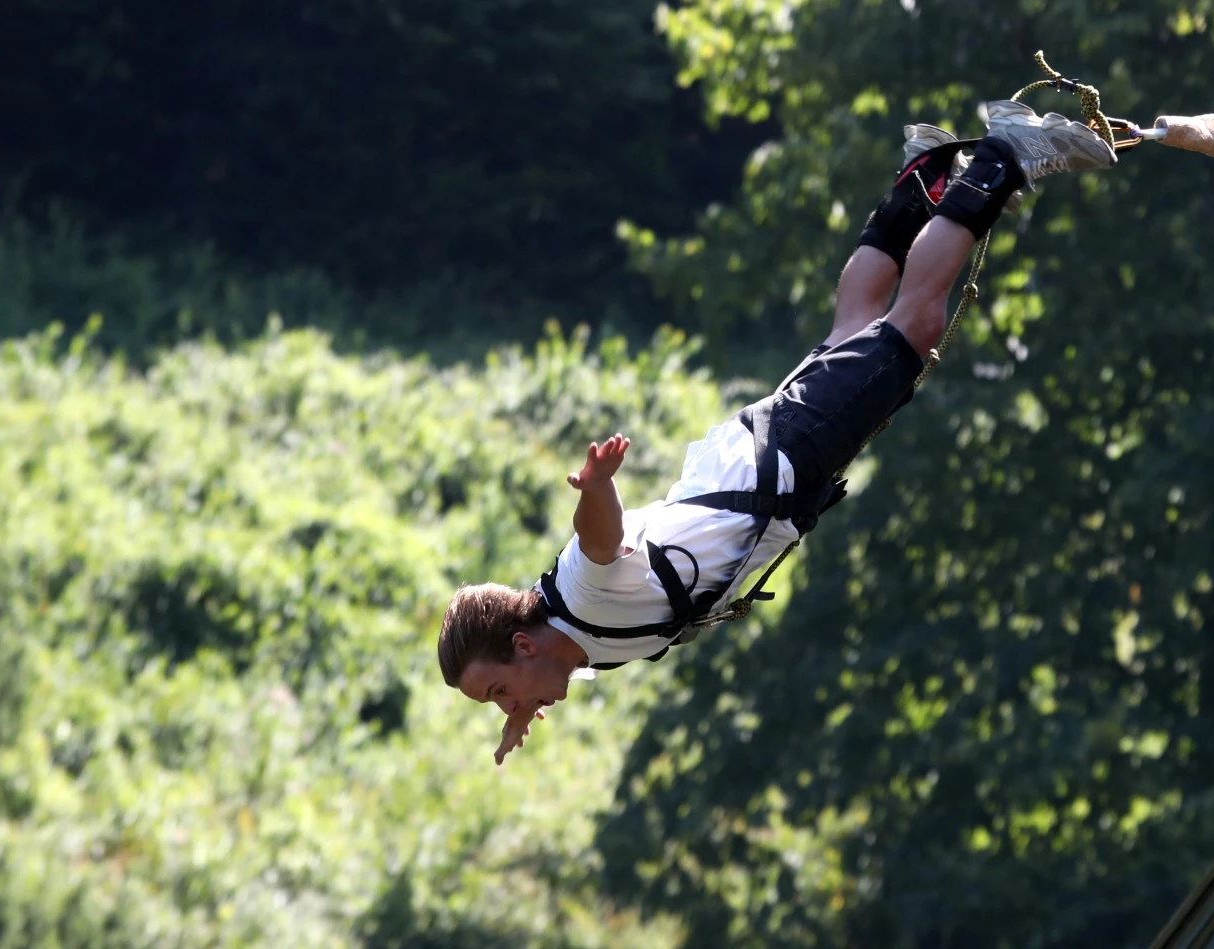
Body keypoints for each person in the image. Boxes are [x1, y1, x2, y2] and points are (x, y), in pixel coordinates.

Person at [437, 100, 1117, 763]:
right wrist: (519, 701)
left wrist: (596, 486)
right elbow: (551, 656)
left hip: (780, 462)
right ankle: (921, 177)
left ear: (524, 645)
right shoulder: (573, 646)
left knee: (915, 326)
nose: (510, 706)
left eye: (500, 693)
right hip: (763, 463)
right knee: (853, 328)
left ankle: (1007, 152)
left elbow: (600, 539)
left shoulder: (581, 592)